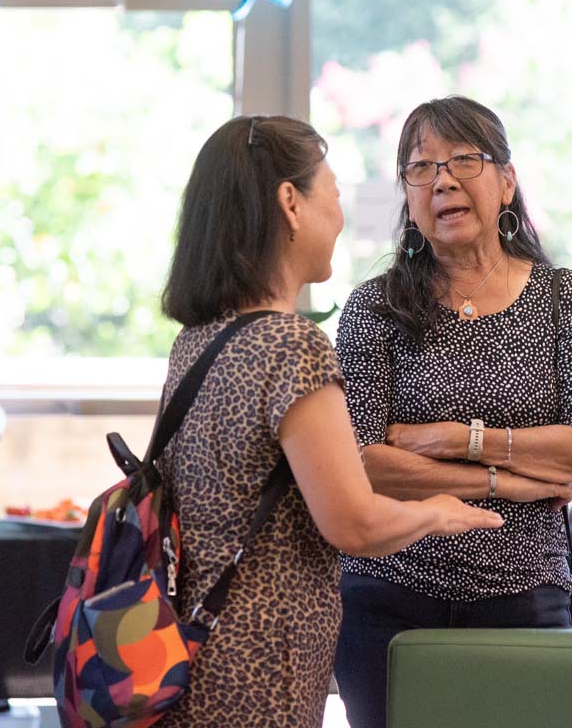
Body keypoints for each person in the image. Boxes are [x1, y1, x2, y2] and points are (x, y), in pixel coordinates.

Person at [155, 115, 503, 728]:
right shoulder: (291, 344)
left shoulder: (198, 340)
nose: (340, 217)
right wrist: (441, 511)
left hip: (184, 655)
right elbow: (354, 521)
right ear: (291, 203)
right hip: (258, 670)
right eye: (334, 195)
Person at [333, 96, 572, 728]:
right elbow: (360, 463)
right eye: (421, 167)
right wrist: (505, 482)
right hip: (389, 595)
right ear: (406, 195)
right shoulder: (372, 308)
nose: (442, 181)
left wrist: (460, 438)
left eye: (464, 160)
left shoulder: (562, 298)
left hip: (527, 596)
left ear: (507, 182)